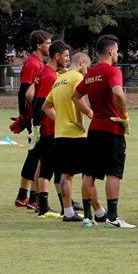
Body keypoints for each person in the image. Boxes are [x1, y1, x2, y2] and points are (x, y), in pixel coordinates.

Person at [74, 35, 134, 229]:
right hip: (112, 128)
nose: (117, 54)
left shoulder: (90, 73)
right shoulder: (112, 71)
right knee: (113, 173)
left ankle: (87, 217)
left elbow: (75, 96)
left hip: (95, 129)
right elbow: (117, 92)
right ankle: (113, 217)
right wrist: (124, 114)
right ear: (110, 51)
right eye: (116, 51)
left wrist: (90, 113)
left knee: (89, 173)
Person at [43, 51, 94, 224]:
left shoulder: (58, 80)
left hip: (60, 134)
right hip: (75, 134)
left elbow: (46, 107)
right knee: (88, 173)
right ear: (81, 63)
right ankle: (97, 210)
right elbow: (79, 101)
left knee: (66, 174)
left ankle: (68, 211)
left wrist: (60, 120)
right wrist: (86, 117)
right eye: (87, 66)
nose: (87, 71)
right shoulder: (77, 78)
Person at [29, 40, 70, 218]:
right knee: (49, 167)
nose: (68, 59)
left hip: (46, 128)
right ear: (57, 56)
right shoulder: (49, 76)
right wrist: (38, 127)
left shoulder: (47, 72)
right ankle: (44, 207)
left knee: (44, 165)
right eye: (66, 56)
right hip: (49, 129)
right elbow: (39, 104)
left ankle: (42, 205)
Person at [13, 29, 51, 209]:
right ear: (39, 45)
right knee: (36, 155)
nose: (50, 46)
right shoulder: (32, 64)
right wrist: (24, 117)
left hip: (37, 115)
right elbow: (24, 92)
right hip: (34, 117)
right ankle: (29, 197)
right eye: (48, 43)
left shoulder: (40, 64)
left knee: (36, 155)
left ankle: (27, 197)